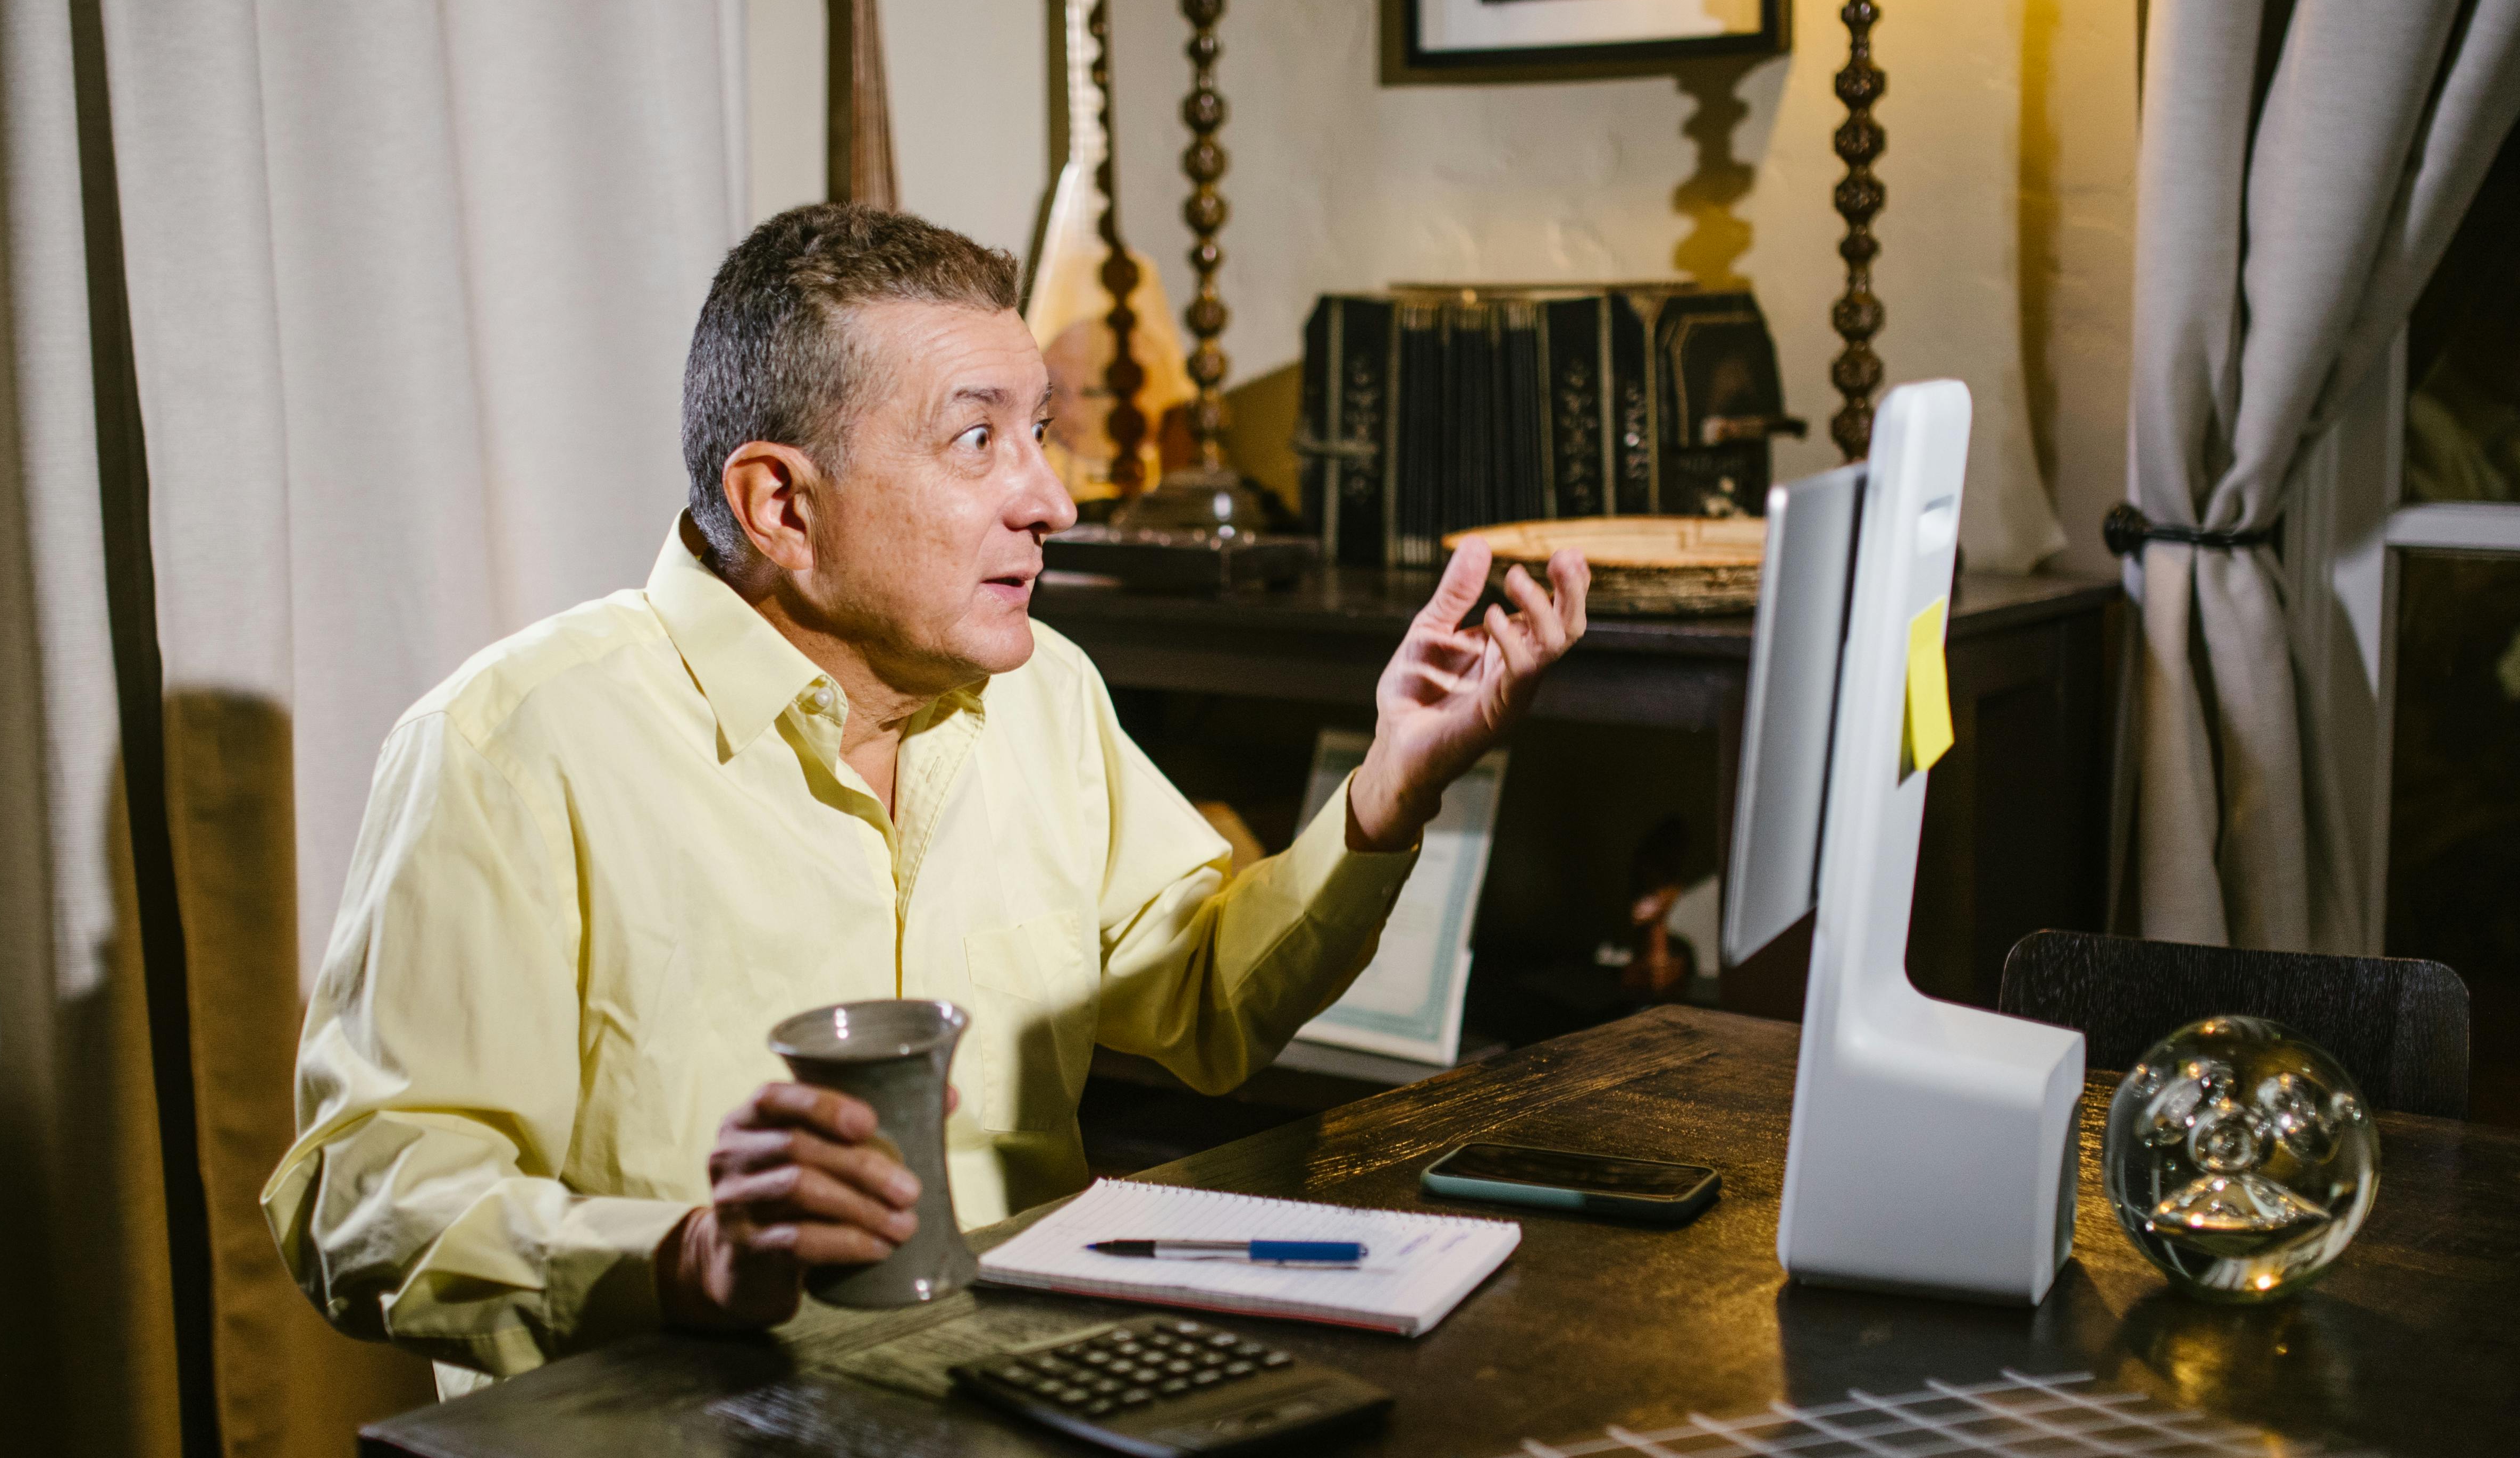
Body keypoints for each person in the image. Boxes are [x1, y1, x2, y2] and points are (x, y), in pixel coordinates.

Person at [264, 203, 1591, 1391]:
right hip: (677, 1420)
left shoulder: (1044, 690)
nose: (1052, 501)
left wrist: (1388, 789)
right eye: (977, 441)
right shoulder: (508, 744)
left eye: (1038, 435)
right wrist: (680, 1258)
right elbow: (364, 1197)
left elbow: (1203, 1004)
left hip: (1027, 1401)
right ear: (779, 502)